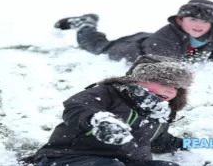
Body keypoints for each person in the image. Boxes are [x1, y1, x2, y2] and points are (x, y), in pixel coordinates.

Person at [19, 54, 193, 166]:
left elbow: (159, 140)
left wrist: (197, 143)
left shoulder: (160, 112)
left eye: (177, 87)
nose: (170, 91)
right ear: (135, 80)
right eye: (163, 83)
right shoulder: (108, 93)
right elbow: (77, 107)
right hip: (72, 157)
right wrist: (100, 122)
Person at [54, 0, 213, 63]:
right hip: (130, 48)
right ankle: (85, 24)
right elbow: (162, 66)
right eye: (193, 19)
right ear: (180, 20)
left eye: (205, 21)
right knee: (96, 47)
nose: (199, 25)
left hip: (148, 38)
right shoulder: (165, 41)